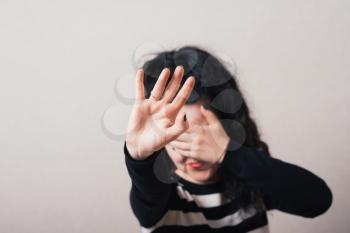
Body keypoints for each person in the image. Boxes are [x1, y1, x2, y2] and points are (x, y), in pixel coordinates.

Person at [123, 46, 333, 233]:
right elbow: (147, 189)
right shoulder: (160, 196)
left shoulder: (249, 176)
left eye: (203, 134)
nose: (194, 150)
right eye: (180, 139)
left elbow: (318, 200)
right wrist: (138, 158)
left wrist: (228, 153)